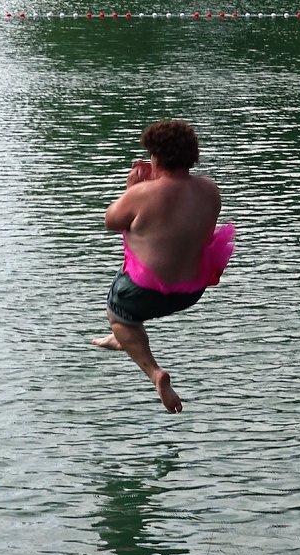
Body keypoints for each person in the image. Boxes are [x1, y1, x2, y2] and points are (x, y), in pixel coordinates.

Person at [92, 120, 234, 413]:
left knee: (118, 314)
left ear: (155, 157)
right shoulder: (210, 190)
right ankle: (124, 338)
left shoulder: (143, 194)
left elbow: (111, 221)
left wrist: (133, 189)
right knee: (132, 306)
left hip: (144, 292)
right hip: (190, 292)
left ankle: (154, 371)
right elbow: (174, 221)